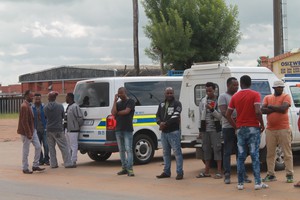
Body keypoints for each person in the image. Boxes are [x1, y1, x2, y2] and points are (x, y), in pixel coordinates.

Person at [226, 75, 268, 190]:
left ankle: (240, 183)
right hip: (253, 128)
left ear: (240, 83)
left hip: (241, 129)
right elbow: (258, 112)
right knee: (255, 155)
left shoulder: (235, 96)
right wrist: (262, 124)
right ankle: (258, 183)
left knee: (241, 156)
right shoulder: (255, 95)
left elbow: (227, 115)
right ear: (250, 83)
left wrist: (236, 127)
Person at [218, 77, 252, 184]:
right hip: (228, 128)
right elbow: (224, 112)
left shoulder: (238, 96)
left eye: (237, 85)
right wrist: (235, 123)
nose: (236, 87)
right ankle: (227, 175)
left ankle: (242, 174)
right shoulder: (223, 96)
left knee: (240, 152)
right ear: (228, 85)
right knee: (227, 151)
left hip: (240, 127)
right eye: (234, 85)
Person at [261, 80, 294, 183]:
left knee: (287, 153)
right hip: (270, 129)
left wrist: (270, 107)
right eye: (278, 87)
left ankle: (289, 175)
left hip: (284, 128)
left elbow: (284, 109)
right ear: (274, 88)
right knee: (270, 153)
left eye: (281, 87)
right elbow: (262, 110)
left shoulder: (286, 96)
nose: (280, 88)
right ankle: (271, 174)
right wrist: (276, 108)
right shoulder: (267, 97)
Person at [156, 87, 183, 180]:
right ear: (165, 94)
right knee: (165, 153)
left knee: (177, 153)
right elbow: (157, 115)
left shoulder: (177, 103)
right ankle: (166, 172)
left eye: (171, 93)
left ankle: (180, 172)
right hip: (164, 133)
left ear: (173, 93)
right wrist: (160, 123)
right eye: (167, 93)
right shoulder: (161, 104)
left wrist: (165, 124)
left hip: (174, 132)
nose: (169, 95)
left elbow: (176, 116)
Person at [196, 82, 222, 179]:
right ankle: (206, 171)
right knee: (206, 149)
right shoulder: (203, 101)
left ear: (214, 90)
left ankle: (219, 171)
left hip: (215, 129)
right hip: (205, 129)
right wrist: (200, 130)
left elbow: (220, 117)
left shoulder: (218, 100)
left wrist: (211, 109)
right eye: (206, 91)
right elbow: (200, 116)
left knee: (217, 149)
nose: (208, 93)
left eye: (210, 90)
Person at [44, 91, 75, 169]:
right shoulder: (60, 106)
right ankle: (67, 163)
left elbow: (45, 117)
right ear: (55, 98)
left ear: (48, 98)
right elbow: (63, 116)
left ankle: (53, 164)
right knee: (63, 146)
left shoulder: (45, 107)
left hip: (49, 129)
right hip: (58, 129)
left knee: (51, 147)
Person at [17, 90, 45, 174]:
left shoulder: (29, 105)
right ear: (26, 96)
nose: (32, 97)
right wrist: (29, 133)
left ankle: (35, 165)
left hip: (33, 130)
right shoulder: (24, 106)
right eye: (30, 96)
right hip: (26, 132)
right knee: (26, 150)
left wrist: (32, 131)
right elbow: (24, 122)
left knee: (38, 147)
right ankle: (25, 168)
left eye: (32, 96)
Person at [111, 87, 135, 177]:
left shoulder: (131, 101)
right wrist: (114, 101)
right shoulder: (118, 103)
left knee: (129, 149)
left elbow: (126, 111)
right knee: (121, 150)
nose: (120, 95)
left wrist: (117, 113)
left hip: (127, 129)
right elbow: (113, 113)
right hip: (118, 129)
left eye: (121, 93)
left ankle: (130, 169)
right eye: (118, 93)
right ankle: (124, 167)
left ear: (125, 92)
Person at [65, 93, 83, 166]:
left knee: (74, 146)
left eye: (66, 97)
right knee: (68, 146)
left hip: (73, 130)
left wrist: (76, 126)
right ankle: (69, 161)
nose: (65, 98)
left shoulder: (75, 106)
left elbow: (80, 118)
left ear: (69, 98)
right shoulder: (68, 106)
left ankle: (73, 161)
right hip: (67, 130)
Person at [32, 93, 50, 166]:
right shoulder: (32, 107)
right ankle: (41, 160)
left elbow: (48, 117)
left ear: (41, 98)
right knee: (38, 146)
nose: (37, 100)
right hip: (36, 130)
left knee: (46, 145)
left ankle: (47, 159)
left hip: (44, 129)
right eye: (36, 99)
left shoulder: (44, 106)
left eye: (39, 99)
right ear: (34, 99)